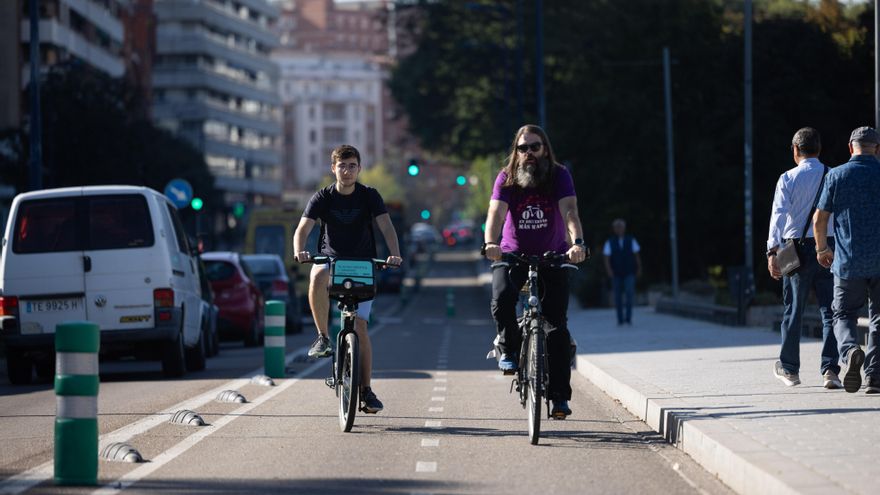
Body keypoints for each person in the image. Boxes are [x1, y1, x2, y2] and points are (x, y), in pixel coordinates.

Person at [482, 124, 588, 419]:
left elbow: (570, 211)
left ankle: (559, 398)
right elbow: (495, 213)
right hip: (512, 254)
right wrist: (491, 243)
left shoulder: (559, 175)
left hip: (552, 255)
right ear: (515, 151)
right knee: (502, 299)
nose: (528, 153)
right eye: (522, 147)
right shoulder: (506, 177)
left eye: (534, 147)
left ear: (545, 149)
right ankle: (509, 349)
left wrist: (577, 243)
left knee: (556, 326)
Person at [292, 144, 403, 413]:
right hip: (332, 261)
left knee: (361, 329)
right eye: (342, 165)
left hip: (364, 265)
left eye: (352, 165)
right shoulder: (322, 197)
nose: (347, 170)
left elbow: (386, 226)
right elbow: (302, 229)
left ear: (359, 168)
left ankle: (366, 390)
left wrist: (395, 254)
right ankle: (322, 337)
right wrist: (299, 251)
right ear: (333, 169)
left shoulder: (369, 196)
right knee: (317, 273)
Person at [765, 127, 840, 389]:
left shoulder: (787, 178)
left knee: (793, 309)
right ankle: (830, 370)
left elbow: (778, 215)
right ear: (819, 149)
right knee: (831, 311)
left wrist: (772, 252)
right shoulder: (832, 175)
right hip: (827, 247)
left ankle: (790, 370)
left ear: (795, 150)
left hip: (793, 249)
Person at [814, 126, 880, 394]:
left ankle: (851, 349)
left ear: (851, 147)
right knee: (878, 317)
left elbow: (819, 219)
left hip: (847, 261)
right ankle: (874, 377)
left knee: (842, 313)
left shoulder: (837, 175)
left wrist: (821, 250)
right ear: (877, 148)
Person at [602, 219, 642, 325]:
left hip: (629, 271)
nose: (619, 229)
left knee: (629, 294)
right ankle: (620, 319)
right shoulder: (610, 242)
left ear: (624, 228)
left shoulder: (631, 240)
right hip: (616, 273)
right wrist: (609, 270)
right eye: (617, 227)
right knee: (617, 296)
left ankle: (628, 318)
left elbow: (636, 254)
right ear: (614, 229)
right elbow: (606, 257)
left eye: (621, 227)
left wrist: (639, 268)